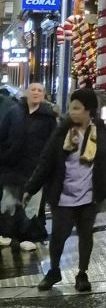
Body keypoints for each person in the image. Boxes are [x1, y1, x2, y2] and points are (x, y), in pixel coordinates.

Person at [26, 87, 106, 293]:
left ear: (89, 111)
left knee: (86, 235)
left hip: (89, 196)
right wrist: (30, 189)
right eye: (71, 108)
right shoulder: (62, 132)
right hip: (63, 195)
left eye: (77, 108)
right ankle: (54, 271)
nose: (72, 112)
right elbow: (46, 161)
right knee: (58, 236)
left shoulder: (100, 132)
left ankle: (82, 274)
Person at [0, 81, 57, 252]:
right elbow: (2, 136)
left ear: (44, 95)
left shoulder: (48, 117)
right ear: (26, 92)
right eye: (33, 89)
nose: (36, 92)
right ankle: (6, 233)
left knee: (31, 205)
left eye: (40, 90)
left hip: (35, 170)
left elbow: (52, 144)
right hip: (12, 167)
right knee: (8, 201)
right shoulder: (14, 112)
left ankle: (28, 236)